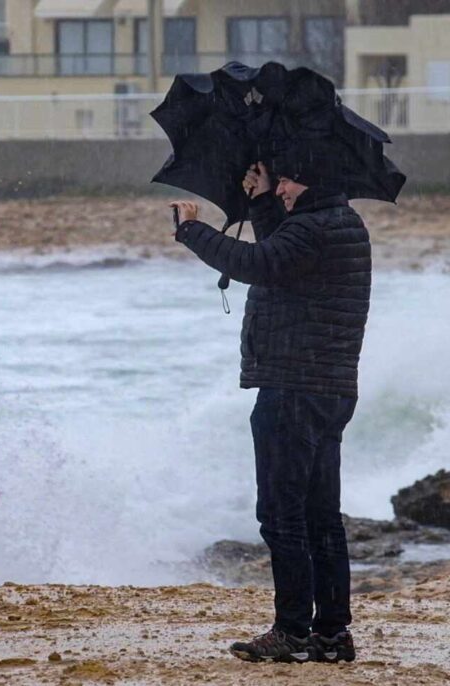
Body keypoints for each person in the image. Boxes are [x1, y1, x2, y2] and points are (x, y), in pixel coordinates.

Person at [169, 150, 370, 665]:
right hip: (328, 388)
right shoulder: (338, 223)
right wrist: (260, 201)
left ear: (312, 181)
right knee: (320, 516)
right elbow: (282, 257)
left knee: (282, 516)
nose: (281, 189)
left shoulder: (314, 229)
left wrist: (192, 230)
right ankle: (331, 634)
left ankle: (292, 632)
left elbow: (257, 263)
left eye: (287, 183)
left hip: (292, 388)